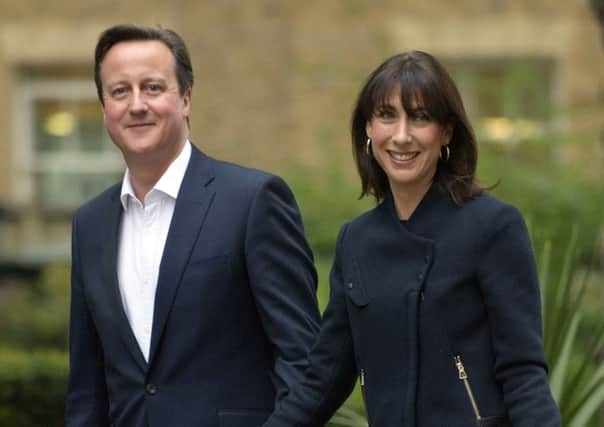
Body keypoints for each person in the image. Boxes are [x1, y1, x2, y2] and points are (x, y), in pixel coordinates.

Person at [263, 51, 561, 427]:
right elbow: (321, 380)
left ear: (447, 132)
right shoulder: (356, 241)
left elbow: (523, 374)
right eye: (387, 115)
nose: (401, 136)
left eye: (420, 118)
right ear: (368, 129)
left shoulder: (494, 227)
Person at [65, 24, 321, 427]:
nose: (136, 105)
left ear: (185, 98)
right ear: (104, 109)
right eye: (119, 91)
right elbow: (87, 385)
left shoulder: (253, 200)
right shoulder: (90, 224)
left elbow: (303, 361)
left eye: (152, 87)